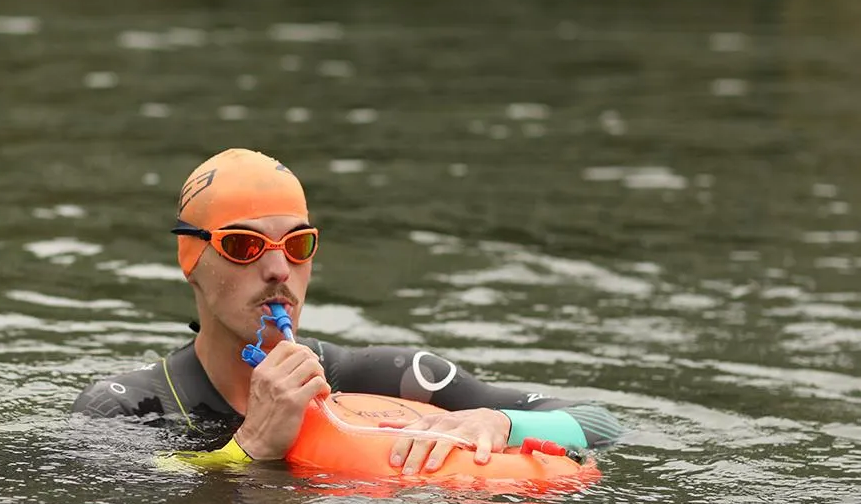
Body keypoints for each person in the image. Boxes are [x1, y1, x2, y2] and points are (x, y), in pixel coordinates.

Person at [72, 148, 623, 473]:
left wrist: (498, 420)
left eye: (298, 245)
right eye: (244, 246)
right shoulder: (126, 409)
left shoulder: (376, 376)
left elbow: (602, 423)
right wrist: (249, 449)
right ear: (191, 259)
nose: (278, 270)